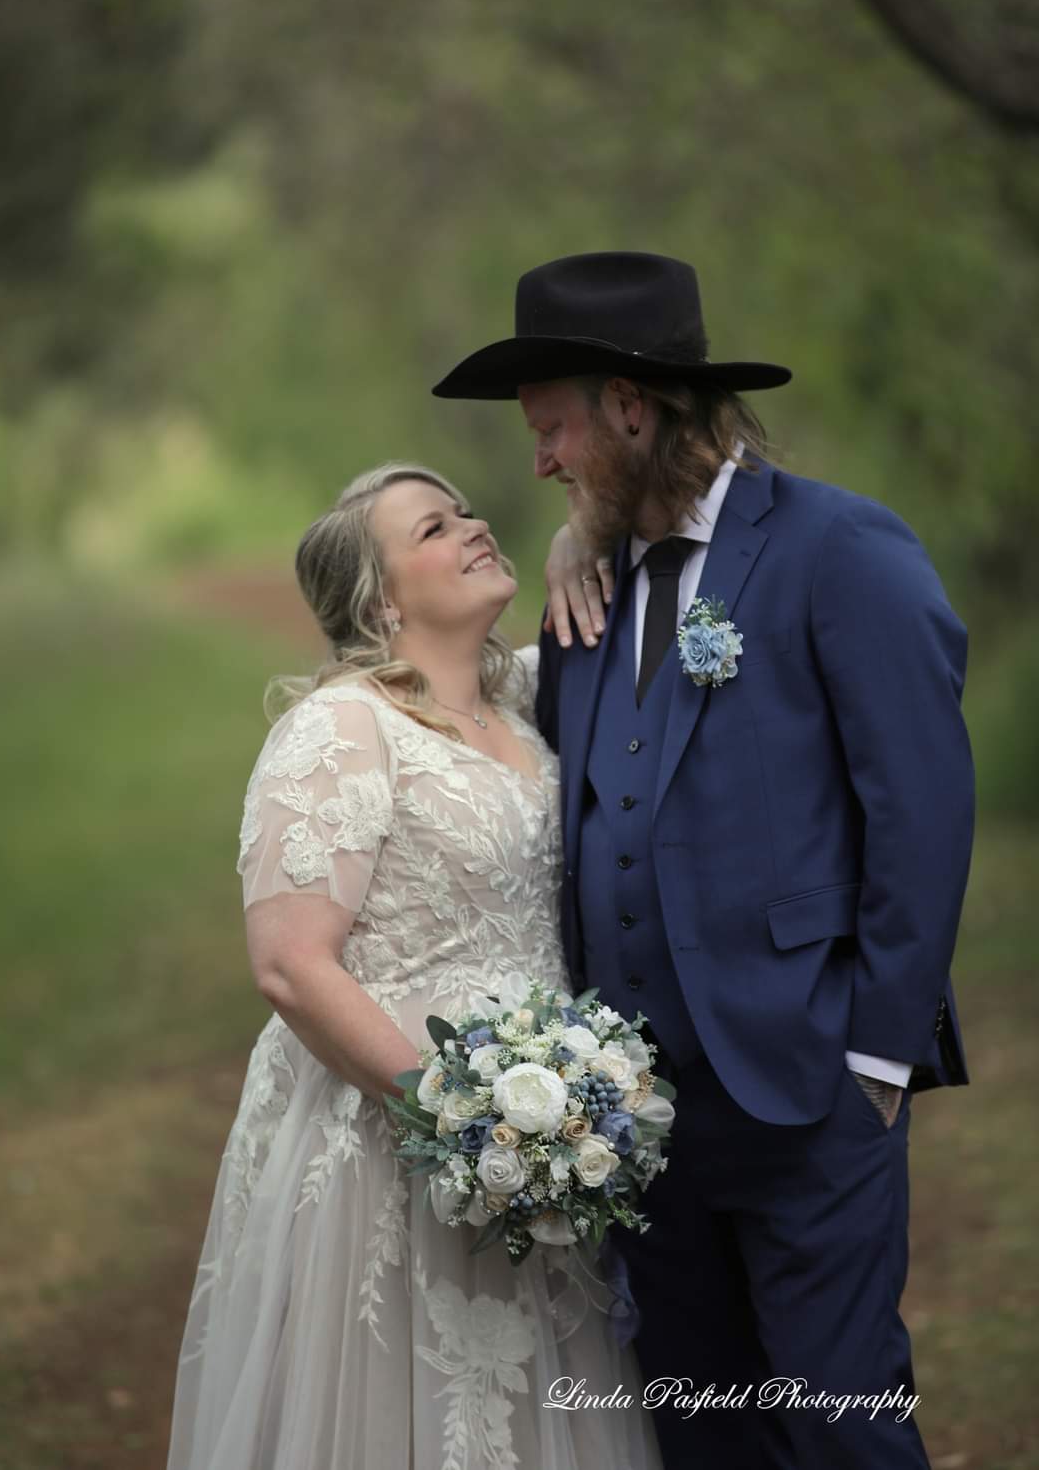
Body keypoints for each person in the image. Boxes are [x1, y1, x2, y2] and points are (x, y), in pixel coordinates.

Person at [431, 251, 975, 1470]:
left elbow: (923, 811)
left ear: (631, 405)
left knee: (841, 1428)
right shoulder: (589, 588)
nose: (542, 462)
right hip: (637, 1121)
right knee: (699, 1433)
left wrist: (878, 1060)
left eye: (554, 428)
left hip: (810, 1088)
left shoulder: (839, 547)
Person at [165, 461, 665, 1470]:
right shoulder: (341, 728)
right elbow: (291, 965)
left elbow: (619, 606)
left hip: (551, 1134)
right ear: (380, 600)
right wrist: (461, 1121)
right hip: (397, 1136)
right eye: (434, 529)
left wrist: (574, 537)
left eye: (467, 512)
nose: (473, 528)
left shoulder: (524, 702)